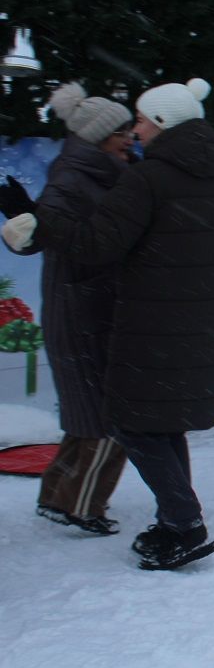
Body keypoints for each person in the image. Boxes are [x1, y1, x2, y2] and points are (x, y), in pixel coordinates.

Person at [7, 78, 214, 569]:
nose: (137, 129)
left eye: (142, 120)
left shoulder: (148, 180)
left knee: (134, 424)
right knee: (164, 423)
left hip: (150, 324)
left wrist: (37, 222)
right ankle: (174, 520)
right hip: (197, 323)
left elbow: (96, 246)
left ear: (163, 123)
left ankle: (184, 524)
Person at [0, 84, 134, 535]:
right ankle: (82, 506)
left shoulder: (97, 172)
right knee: (111, 417)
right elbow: (39, 235)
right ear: (97, 136)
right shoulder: (75, 178)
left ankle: (57, 496)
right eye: (120, 131)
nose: (130, 136)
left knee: (88, 413)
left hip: (88, 303)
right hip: (83, 308)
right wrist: (23, 218)